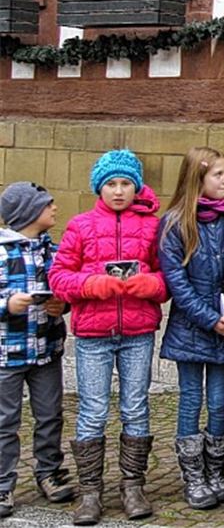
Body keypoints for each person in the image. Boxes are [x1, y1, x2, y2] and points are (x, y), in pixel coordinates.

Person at [49, 149, 168, 525]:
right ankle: (90, 492)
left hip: (137, 332)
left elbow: (167, 278)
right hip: (93, 334)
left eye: (126, 184)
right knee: (93, 411)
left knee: (136, 408)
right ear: (99, 188)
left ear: (137, 187)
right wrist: (92, 284)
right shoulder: (80, 226)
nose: (119, 191)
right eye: (111, 184)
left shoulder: (152, 227)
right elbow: (59, 277)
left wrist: (150, 284)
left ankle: (133, 486)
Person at [157, 148, 224, 510]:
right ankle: (193, 476)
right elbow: (178, 285)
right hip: (191, 329)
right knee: (192, 399)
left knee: (220, 400)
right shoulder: (175, 224)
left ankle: (216, 470)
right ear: (198, 179)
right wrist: (209, 319)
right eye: (218, 174)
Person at [0, 183, 74, 518]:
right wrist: (7, 305)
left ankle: (49, 472)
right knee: (5, 421)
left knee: (50, 415)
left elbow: (65, 291)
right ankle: (3, 484)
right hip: (7, 355)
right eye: (47, 204)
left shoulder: (53, 252)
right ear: (28, 213)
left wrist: (63, 305)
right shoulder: (2, 253)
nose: (55, 208)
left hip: (47, 350)